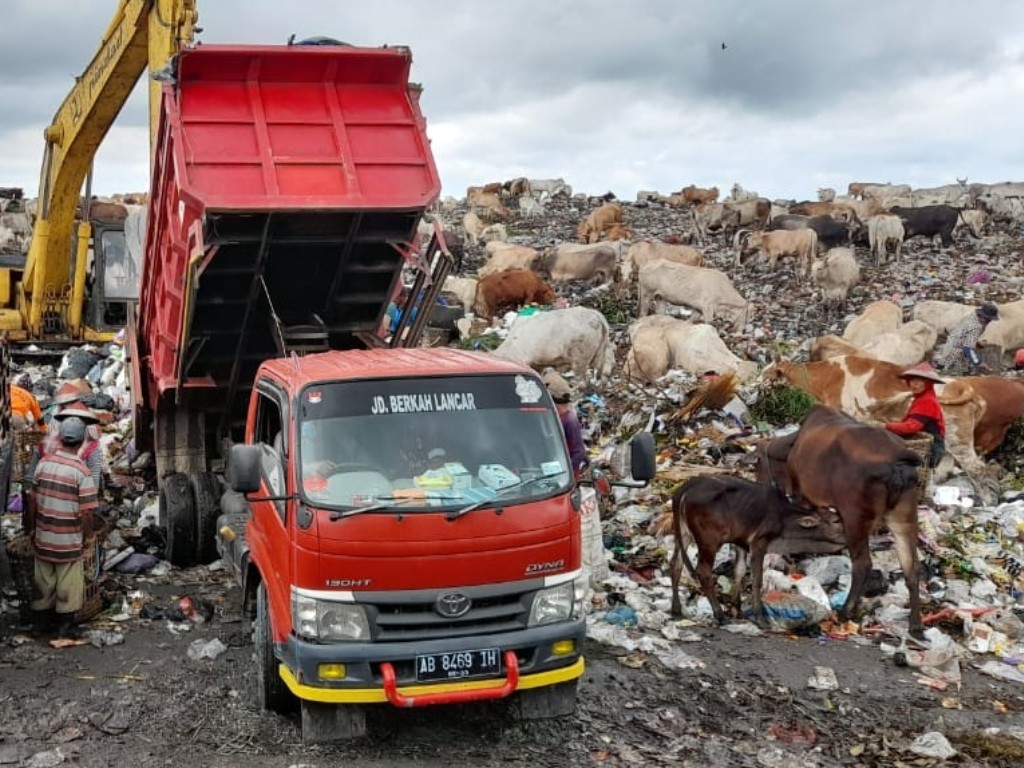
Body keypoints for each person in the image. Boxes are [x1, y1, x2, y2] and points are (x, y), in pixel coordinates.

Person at [29, 416, 98, 639]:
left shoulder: (43, 463)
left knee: (44, 580)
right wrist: (87, 537)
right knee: (69, 582)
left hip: (44, 536)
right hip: (68, 539)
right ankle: (65, 627)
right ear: (81, 442)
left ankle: (40, 625)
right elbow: (87, 512)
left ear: (59, 438)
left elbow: (32, 500)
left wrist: (33, 528)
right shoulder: (82, 472)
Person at [883, 362, 946, 468]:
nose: (914, 384)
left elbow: (911, 427)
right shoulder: (920, 398)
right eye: (912, 380)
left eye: (919, 381)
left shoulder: (928, 401)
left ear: (928, 384)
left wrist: (886, 426)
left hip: (929, 449)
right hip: (924, 444)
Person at [543, 371, 588, 478]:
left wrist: (566, 473)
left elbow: (579, 452)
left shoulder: (569, 420)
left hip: (564, 475)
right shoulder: (553, 417)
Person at [934, 303, 999, 374]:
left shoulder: (971, 316)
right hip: (956, 355)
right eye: (988, 320)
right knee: (956, 377)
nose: (989, 322)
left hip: (950, 347)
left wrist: (976, 343)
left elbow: (965, 335)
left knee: (943, 368)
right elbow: (967, 348)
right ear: (983, 317)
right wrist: (978, 362)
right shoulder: (977, 327)